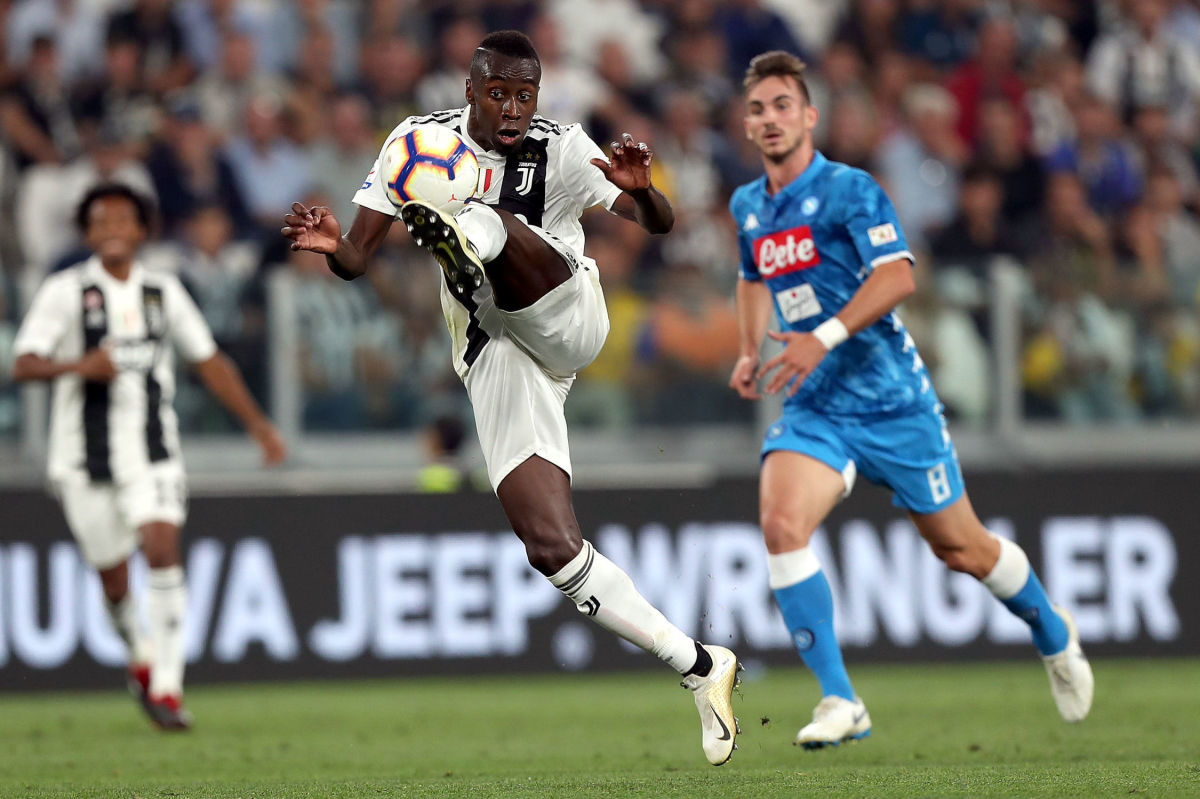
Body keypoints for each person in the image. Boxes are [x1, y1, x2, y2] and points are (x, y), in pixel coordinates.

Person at [281, 30, 742, 766]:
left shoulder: (561, 147)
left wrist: (642, 190)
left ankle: (469, 241)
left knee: (494, 223)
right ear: (470, 90)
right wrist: (336, 246)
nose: (513, 108)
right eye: (498, 93)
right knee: (551, 547)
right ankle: (699, 664)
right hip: (495, 353)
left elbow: (657, 224)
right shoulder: (415, 143)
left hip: (565, 313)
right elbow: (359, 258)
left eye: (525, 94)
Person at [726, 51, 1094, 749]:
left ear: (810, 116)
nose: (769, 118)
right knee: (780, 524)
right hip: (816, 405)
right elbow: (750, 276)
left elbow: (897, 277)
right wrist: (750, 348)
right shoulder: (749, 206)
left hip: (893, 400)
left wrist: (821, 337)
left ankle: (1052, 629)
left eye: (782, 105)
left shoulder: (850, 189)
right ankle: (840, 698)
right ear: (746, 125)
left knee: (963, 549)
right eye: (757, 109)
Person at [12, 183, 287, 730]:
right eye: (101, 221)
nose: (112, 229)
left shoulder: (163, 291)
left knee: (162, 549)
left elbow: (209, 361)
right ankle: (138, 651)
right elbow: (24, 363)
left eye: (123, 219)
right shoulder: (65, 291)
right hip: (83, 459)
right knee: (114, 582)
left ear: (142, 230)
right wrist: (79, 367)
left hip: (153, 450)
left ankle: (166, 686)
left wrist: (259, 426)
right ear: (87, 233)